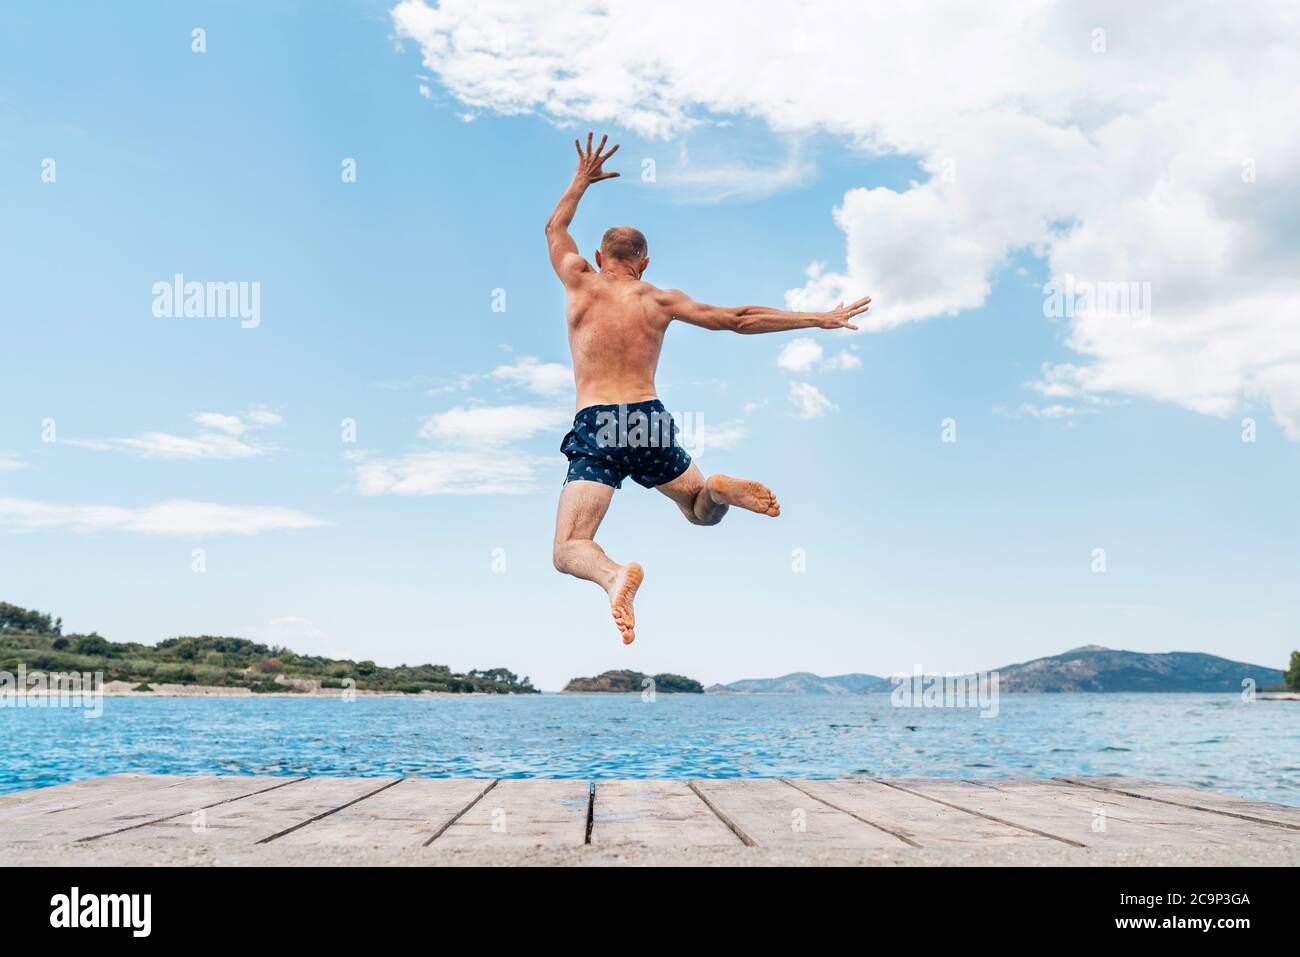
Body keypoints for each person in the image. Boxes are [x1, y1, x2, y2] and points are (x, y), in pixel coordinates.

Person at [547, 133, 871, 644]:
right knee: (701, 511)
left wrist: (582, 179)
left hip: (596, 423)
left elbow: (554, 226)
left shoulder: (577, 278)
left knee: (570, 547)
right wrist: (818, 318)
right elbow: (738, 320)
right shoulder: (659, 299)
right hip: (645, 418)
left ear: (598, 255)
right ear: (644, 263)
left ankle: (613, 578)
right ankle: (718, 487)